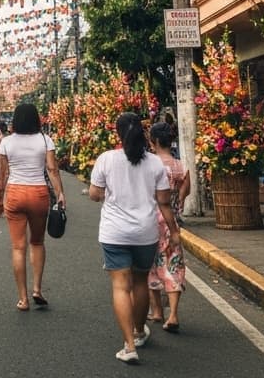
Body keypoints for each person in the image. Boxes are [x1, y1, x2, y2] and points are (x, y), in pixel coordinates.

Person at [89, 112, 179, 365]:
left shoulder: (106, 159)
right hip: (145, 232)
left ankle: (129, 345)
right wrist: (174, 231)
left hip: (114, 232)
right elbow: (164, 202)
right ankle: (139, 331)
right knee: (140, 283)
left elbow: (95, 195)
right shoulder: (154, 164)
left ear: (118, 133)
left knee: (120, 286)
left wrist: (105, 191)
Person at [0, 104, 66, 311]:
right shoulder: (45, 140)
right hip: (38, 193)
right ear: (37, 119)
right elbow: (52, 169)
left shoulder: (6, 142)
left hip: (15, 192)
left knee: (18, 247)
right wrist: (60, 193)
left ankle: (23, 299)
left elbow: (2, 174)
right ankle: (37, 289)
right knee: (37, 242)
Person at [146, 120, 190, 331]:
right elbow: (185, 191)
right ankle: (173, 314)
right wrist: (177, 202)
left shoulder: (149, 164)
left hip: (150, 220)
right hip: (171, 221)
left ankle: (156, 311)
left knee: (150, 265)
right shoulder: (179, 166)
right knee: (173, 264)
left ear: (153, 141)